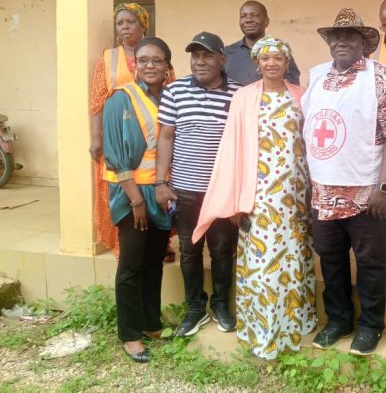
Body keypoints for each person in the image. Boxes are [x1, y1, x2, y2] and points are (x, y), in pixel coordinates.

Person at [193, 37, 316, 359]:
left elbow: (311, 145)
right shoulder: (244, 97)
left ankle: (292, 324)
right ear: (257, 63)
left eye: (278, 57)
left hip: (295, 196)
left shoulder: (302, 96)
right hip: (258, 196)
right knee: (263, 263)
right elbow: (231, 149)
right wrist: (235, 200)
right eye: (265, 58)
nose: (272, 63)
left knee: (293, 259)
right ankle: (263, 330)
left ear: (287, 63)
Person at [302, 8, 386, 356]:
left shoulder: (382, 78)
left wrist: (384, 187)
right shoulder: (317, 77)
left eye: (350, 36)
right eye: (336, 36)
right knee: (330, 260)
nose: (342, 42)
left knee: (370, 263)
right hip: (323, 191)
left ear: (364, 43)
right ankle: (339, 321)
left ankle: (371, 326)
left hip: (366, 194)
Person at [155, 32, 241, 337]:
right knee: (189, 250)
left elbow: (243, 144)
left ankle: (221, 304)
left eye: (207, 55)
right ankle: (195, 307)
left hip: (221, 192)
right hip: (185, 190)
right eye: (195, 56)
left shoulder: (238, 94)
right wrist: (160, 182)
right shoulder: (175, 91)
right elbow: (166, 137)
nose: (199, 62)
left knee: (222, 250)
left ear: (222, 59)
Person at [102, 37, 174, 363]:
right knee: (131, 265)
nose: (149, 66)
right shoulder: (120, 98)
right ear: (135, 65)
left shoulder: (171, 97)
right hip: (131, 192)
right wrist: (135, 200)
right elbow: (114, 154)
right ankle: (130, 334)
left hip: (160, 192)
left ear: (167, 66)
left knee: (154, 261)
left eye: (157, 60)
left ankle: (150, 322)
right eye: (143, 60)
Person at [89, 3, 153, 255]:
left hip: (149, 135)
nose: (125, 27)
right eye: (120, 23)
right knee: (119, 185)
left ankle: (156, 240)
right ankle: (121, 242)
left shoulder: (155, 54)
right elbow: (97, 101)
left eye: (131, 22)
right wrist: (96, 138)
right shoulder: (108, 58)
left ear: (143, 24)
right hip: (116, 135)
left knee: (149, 184)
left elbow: (168, 95)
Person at [224, 0, 301, 86]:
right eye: (243, 16)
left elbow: (292, 87)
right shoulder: (227, 53)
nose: (248, 20)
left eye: (255, 15)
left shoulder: (280, 52)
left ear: (266, 21)